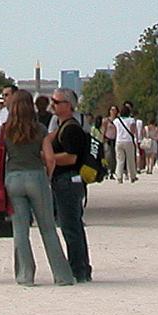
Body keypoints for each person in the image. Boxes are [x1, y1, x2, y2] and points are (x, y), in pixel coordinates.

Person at [0, 91, 72, 287]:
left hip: (13, 178)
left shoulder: (4, 130)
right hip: (36, 175)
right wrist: (47, 175)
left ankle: (25, 275)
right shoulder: (39, 129)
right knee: (47, 228)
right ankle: (62, 275)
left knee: (20, 229)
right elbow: (50, 158)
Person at [45, 91, 92, 284]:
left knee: (70, 226)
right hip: (66, 181)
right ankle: (82, 267)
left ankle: (78, 269)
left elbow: (71, 157)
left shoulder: (71, 128)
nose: (52, 104)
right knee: (73, 225)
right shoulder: (62, 125)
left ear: (68, 105)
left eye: (56, 102)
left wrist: (47, 158)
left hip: (68, 180)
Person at [110, 106, 141, 183]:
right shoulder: (131, 120)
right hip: (128, 141)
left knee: (120, 160)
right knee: (130, 159)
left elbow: (114, 130)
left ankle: (119, 177)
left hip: (119, 141)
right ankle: (132, 176)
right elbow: (133, 131)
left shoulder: (117, 120)